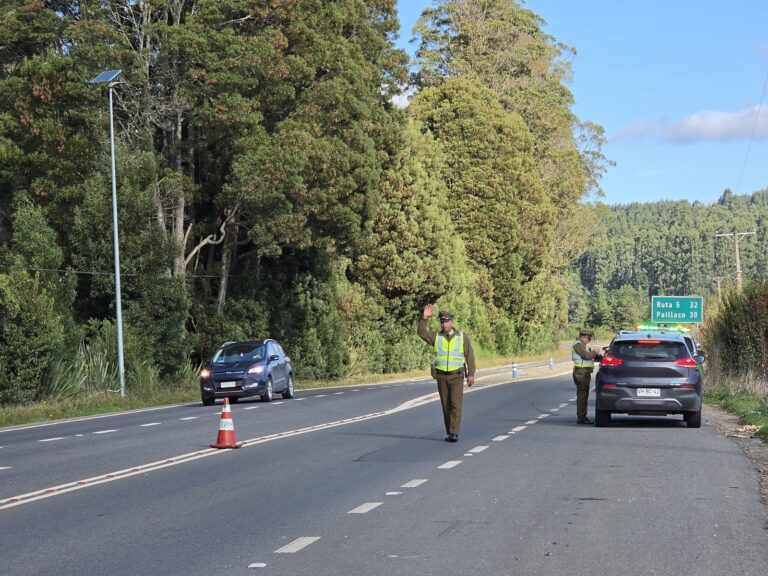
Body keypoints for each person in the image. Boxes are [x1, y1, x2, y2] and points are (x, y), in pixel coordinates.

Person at [418, 304, 476, 442]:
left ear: (451, 322)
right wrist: (425, 318)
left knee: (456, 404)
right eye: (442, 322)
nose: (444, 324)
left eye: (446, 321)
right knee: (446, 405)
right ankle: (450, 431)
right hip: (441, 376)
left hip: (456, 376)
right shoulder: (436, 337)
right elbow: (422, 333)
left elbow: (470, 356)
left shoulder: (462, 337)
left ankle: (454, 433)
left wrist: (471, 374)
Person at [572, 328, 602, 425]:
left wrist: (600, 356)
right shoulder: (578, 345)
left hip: (585, 372)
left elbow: (589, 358)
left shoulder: (583, 346)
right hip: (581, 373)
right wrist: (595, 351)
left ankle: (582, 416)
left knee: (584, 395)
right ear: (583, 337)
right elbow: (586, 356)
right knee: (582, 396)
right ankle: (581, 418)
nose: (589, 341)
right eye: (588, 339)